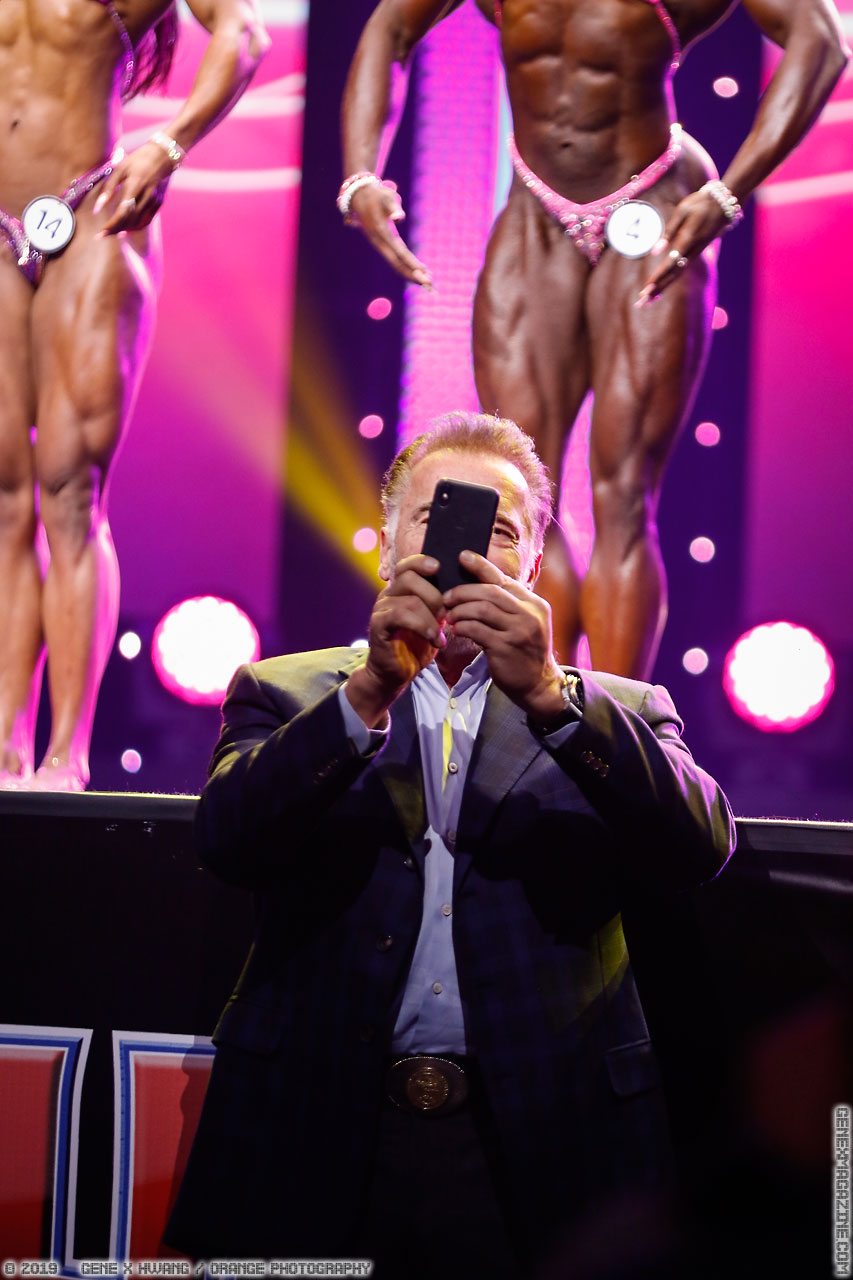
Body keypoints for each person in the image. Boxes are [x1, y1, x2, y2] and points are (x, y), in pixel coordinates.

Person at [165, 412, 736, 1276]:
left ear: (531, 566)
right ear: (389, 544)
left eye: (498, 530)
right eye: (433, 520)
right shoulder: (285, 691)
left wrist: (552, 698)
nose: (464, 547)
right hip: (315, 1125)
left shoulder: (620, 707)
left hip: (543, 1143)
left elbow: (697, 849)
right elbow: (226, 843)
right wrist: (367, 691)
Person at [340, 0, 849, 679]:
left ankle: (616, 721)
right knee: (521, 490)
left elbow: (821, 40)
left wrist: (728, 192)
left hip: (651, 204)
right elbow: (392, 25)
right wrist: (360, 175)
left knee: (622, 493)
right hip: (535, 212)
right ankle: (530, 705)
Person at [0, 0, 270, 792]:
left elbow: (243, 31)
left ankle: (65, 755)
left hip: (91, 215)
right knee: (6, 498)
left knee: (69, 493)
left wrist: (170, 143)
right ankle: (5, 744)